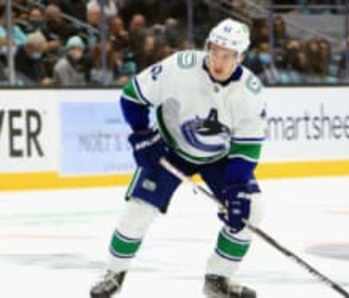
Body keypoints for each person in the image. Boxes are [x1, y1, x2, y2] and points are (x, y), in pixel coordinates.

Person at [89, 18, 266, 298]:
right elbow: (132, 96)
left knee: (250, 210)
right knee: (138, 210)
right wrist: (142, 134)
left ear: (240, 57)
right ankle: (114, 273)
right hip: (168, 148)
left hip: (219, 157)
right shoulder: (180, 67)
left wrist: (235, 189)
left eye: (227, 56)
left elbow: (246, 148)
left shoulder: (250, 92)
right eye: (215, 52)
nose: (218, 62)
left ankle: (218, 278)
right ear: (208, 47)